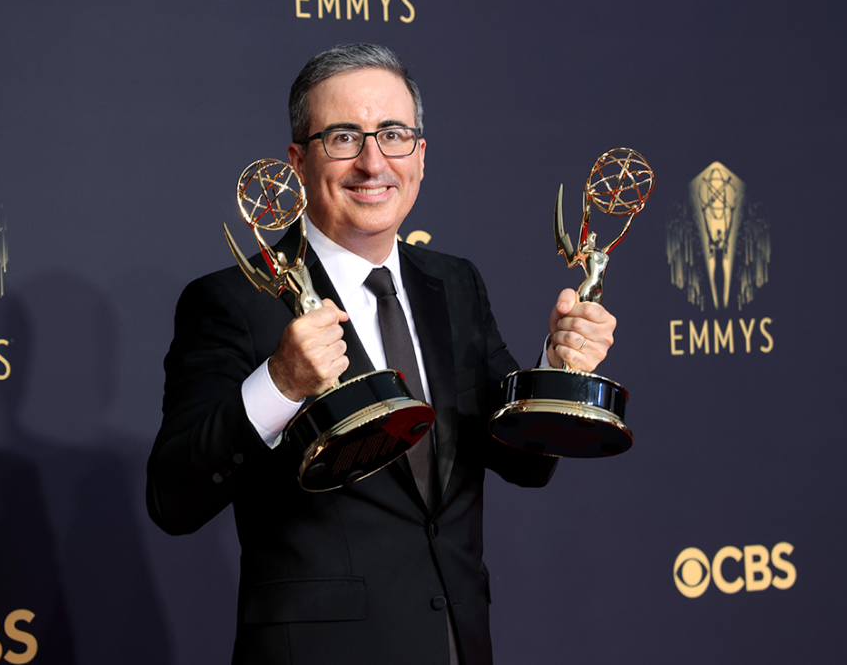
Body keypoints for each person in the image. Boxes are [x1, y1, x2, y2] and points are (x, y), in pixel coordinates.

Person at [147, 43, 617, 665]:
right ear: (297, 162)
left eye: (393, 134)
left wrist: (559, 369)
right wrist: (280, 385)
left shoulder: (456, 283)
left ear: (420, 155)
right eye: (343, 137)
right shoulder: (232, 301)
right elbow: (173, 499)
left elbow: (523, 462)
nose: (373, 163)